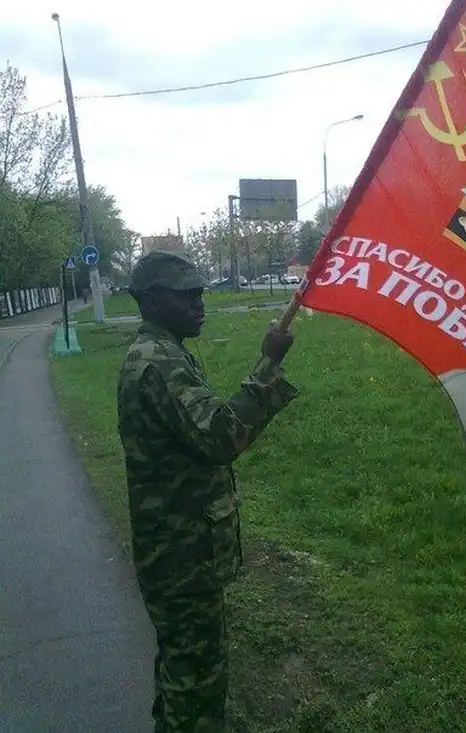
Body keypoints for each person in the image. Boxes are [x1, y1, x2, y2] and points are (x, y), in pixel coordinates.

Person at [117, 250, 298, 732]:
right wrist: (268, 363)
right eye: (187, 296)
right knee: (196, 681)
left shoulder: (163, 350)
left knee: (183, 668)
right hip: (181, 556)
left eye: (200, 293)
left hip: (177, 549)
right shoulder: (158, 361)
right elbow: (220, 436)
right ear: (152, 301)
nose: (199, 304)